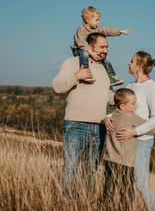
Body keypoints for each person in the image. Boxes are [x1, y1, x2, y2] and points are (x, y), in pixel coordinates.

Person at [52, 33, 115, 198]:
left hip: (100, 126)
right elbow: (57, 86)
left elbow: (109, 95)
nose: (106, 50)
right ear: (90, 46)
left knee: (91, 171)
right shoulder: (73, 63)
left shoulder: (106, 68)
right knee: (70, 167)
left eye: (107, 47)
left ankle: (83, 203)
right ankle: (65, 203)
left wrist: (127, 98)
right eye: (102, 47)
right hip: (76, 124)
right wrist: (76, 76)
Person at [104, 51, 155, 211]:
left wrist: (134, 132)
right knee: (126, 187)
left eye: (131, 61)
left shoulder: (152, 87)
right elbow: (121, 110)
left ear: (140, 66)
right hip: (125, 145)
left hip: (142, 143)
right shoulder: (130, 86)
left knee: (141, 184)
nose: (128, 63)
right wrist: (107, 117)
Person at [103, 88, 155, 209]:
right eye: (133, 103)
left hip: (109, 160)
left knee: (107, 191)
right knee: (126, 194)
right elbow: (152, 129)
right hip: (125, 163)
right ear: (123, 106)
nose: (136, 105)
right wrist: (135, 131)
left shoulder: (111, 117)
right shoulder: (132, 117)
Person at [71, 6, 130, 85]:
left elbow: (107, 30)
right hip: (79, 50)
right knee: (84, 53)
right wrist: (90, 52)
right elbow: (81, 42)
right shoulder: (81, 29)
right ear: (88, 20)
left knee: (106, 58)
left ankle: (112, 77)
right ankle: (85, 72)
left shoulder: (96, 28)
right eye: (96, 20)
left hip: (91, 50)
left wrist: (120, 31)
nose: (98, 22)